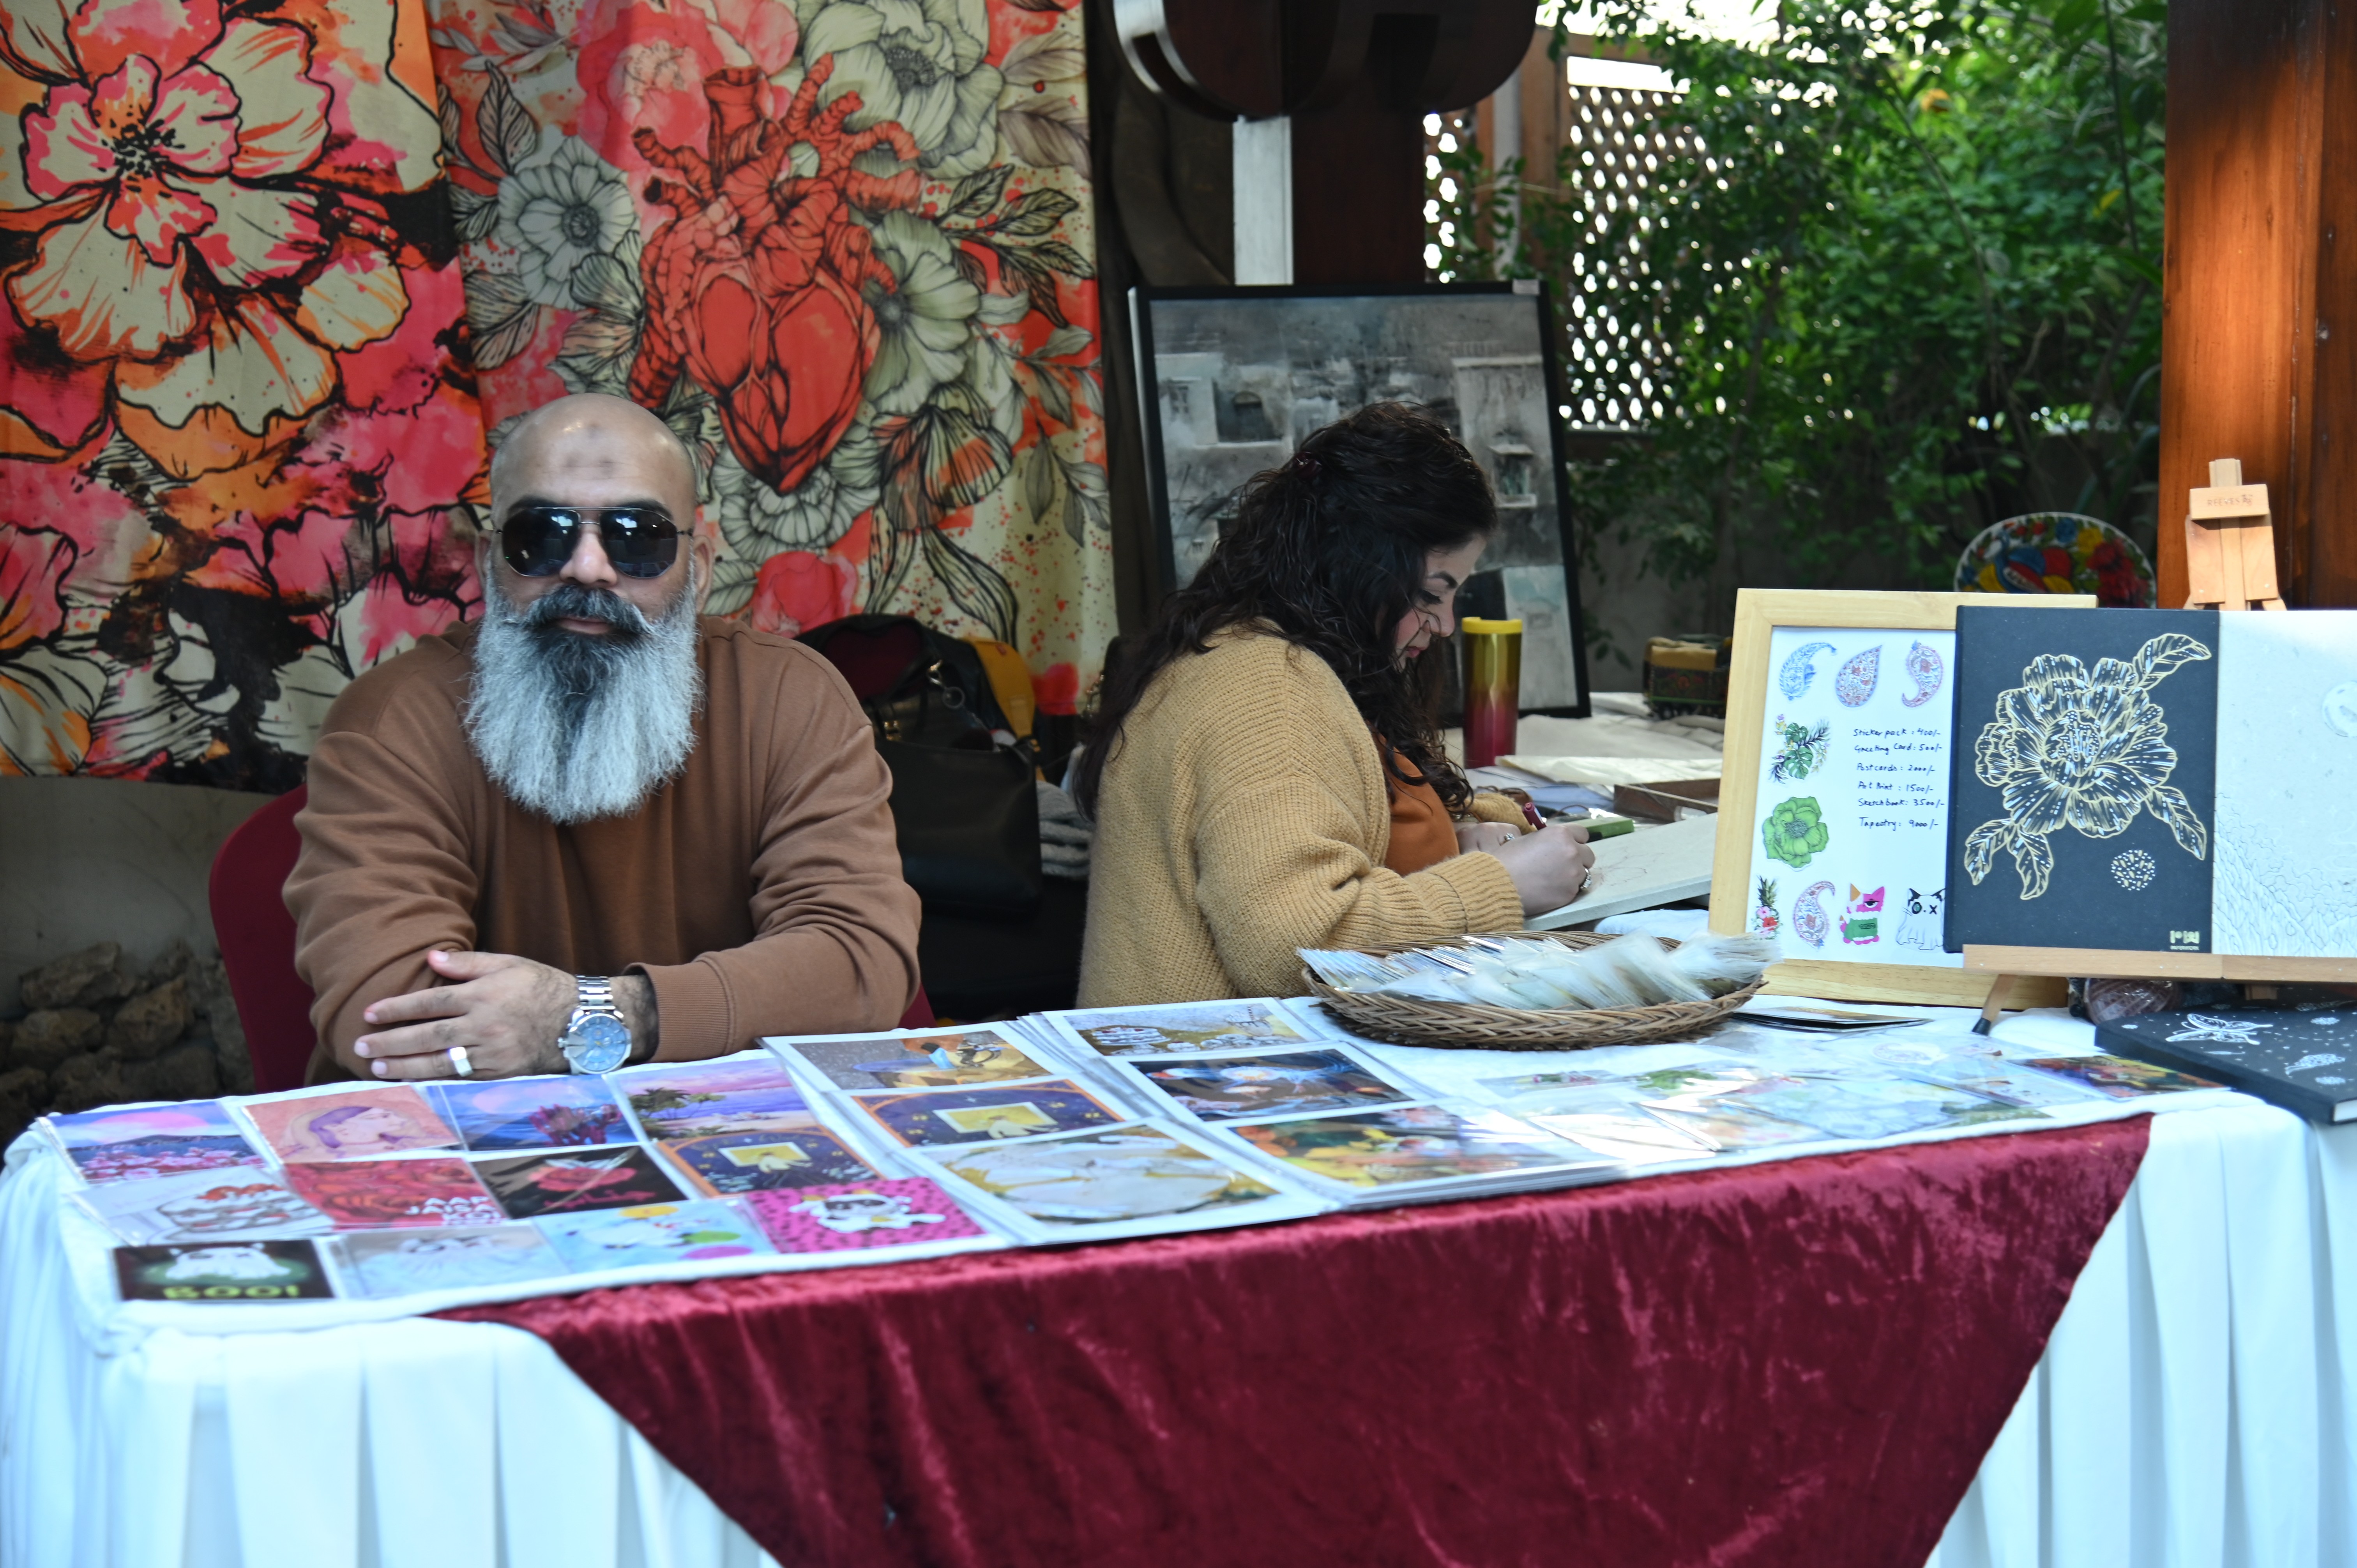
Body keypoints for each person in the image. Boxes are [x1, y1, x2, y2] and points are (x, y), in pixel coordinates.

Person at [286, 394, 919, 1084]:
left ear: (698, 567)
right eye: (543, 532)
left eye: (637, 535)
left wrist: (602, 1016)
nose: (588, 568)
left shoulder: (790, 699)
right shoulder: (390, 722)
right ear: (489, 558)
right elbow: (390, 1022)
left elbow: (860, 964)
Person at [1074, 403, 1595, 1006]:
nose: (1446, 625)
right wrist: (1498, 886)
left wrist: (1468, 836)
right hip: (1211, 1078)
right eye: (1432, 595)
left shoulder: (1244, 650)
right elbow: (1297, 946)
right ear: (1362, 570)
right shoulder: (1270, 692)